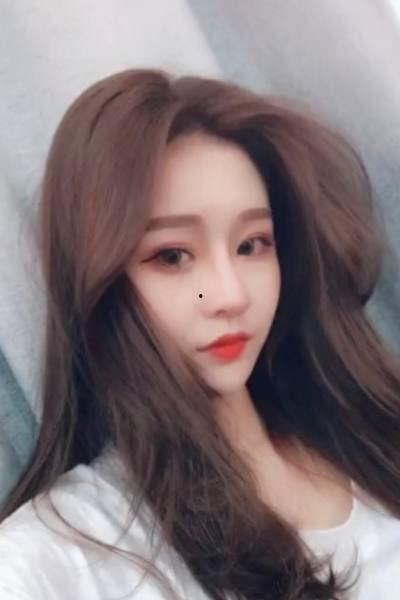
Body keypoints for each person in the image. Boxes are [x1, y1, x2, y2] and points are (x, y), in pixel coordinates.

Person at [0, 68, 399, 600]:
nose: (230, 295)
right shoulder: (69, 550)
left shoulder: (365, 435)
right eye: (172, 256)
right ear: (100, 279)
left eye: (252, 244)